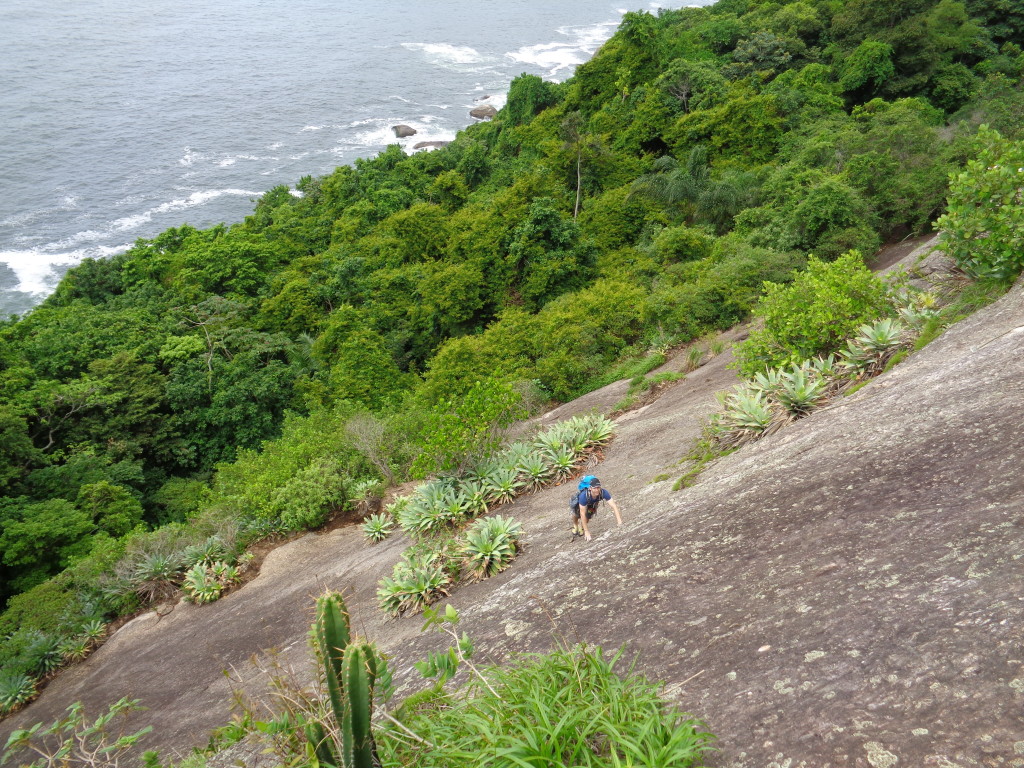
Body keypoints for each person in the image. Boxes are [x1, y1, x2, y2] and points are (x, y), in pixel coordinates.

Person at [571, 477, 622, 542]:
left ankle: (581, 527)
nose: (597, 490)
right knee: (576, 514)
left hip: (592, 504)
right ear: (590, 488)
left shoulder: (603, 492)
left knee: (588, 517)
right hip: (581, 502)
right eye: (594, 488)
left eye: (598, 487)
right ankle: (575, 525)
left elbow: (614, 506)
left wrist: (619, 522)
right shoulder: (583, 496)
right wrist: (587, 532)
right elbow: (582, 514)